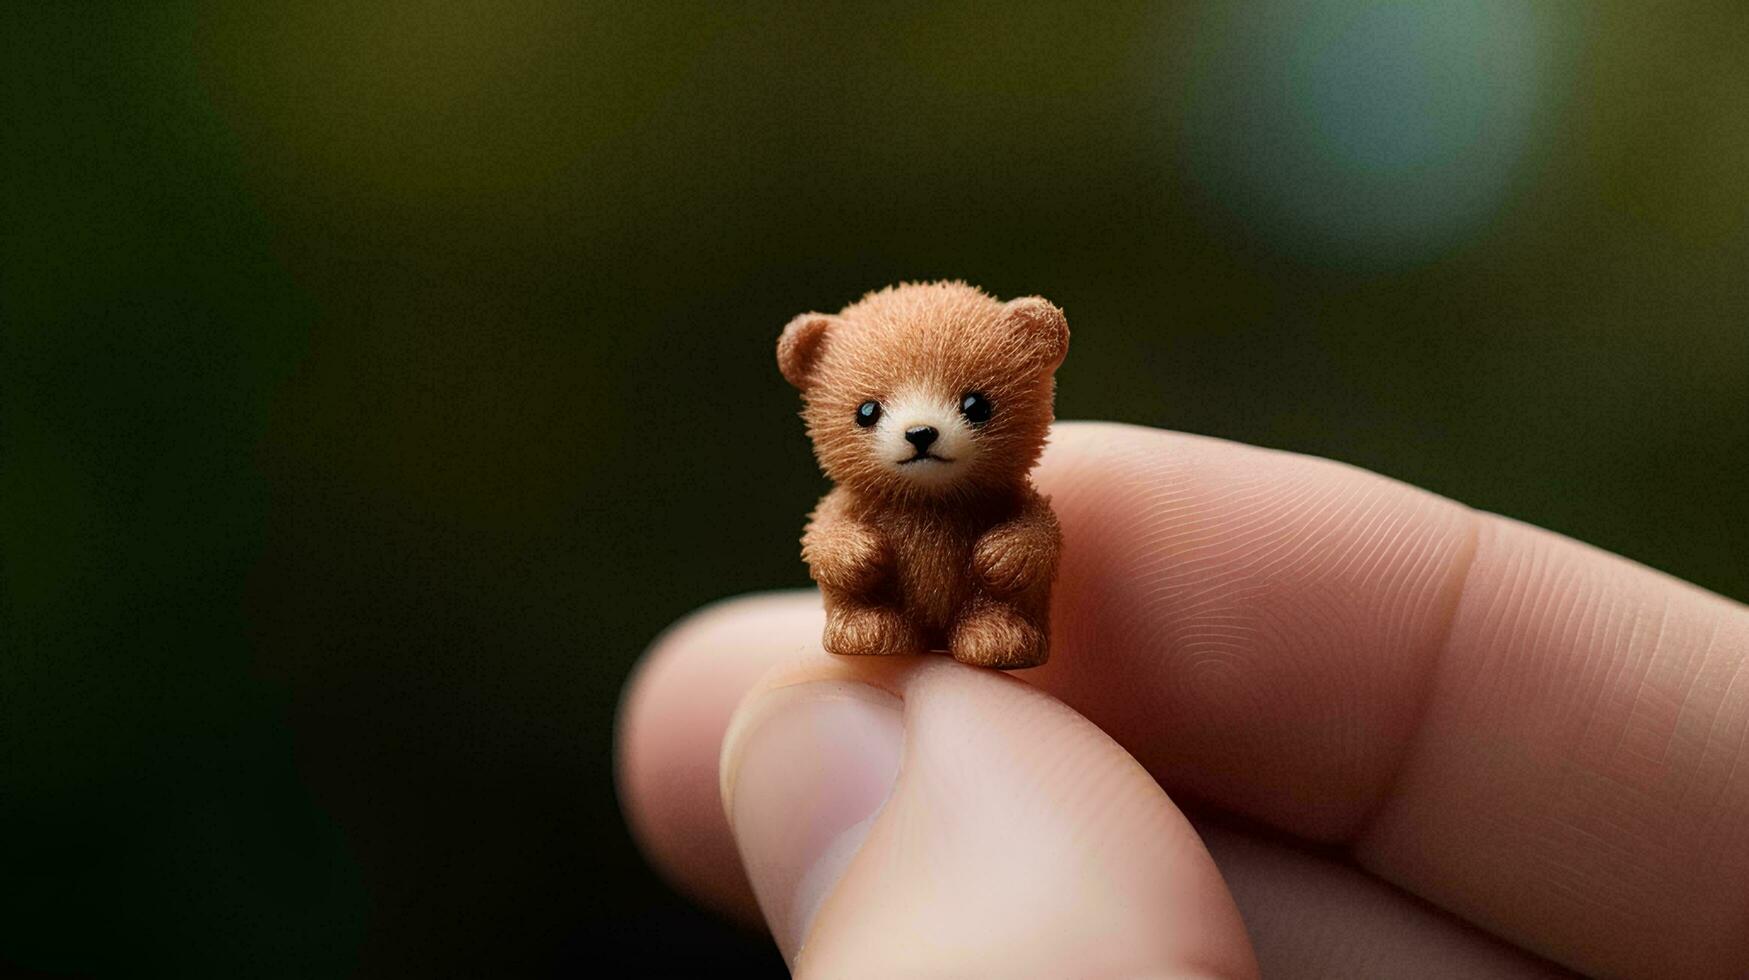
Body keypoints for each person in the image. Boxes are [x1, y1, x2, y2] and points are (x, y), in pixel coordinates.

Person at [618, 423, 1748, 979]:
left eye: (965, 399)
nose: (922, 427)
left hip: (982, 635)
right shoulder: (863, 509)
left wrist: (1008, 569)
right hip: (885, 630)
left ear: (1031, 364)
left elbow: (1030, 542)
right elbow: (835, 538)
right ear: (816, 379)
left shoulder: (1011, 505)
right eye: (878, 406)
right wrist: (855, 569)